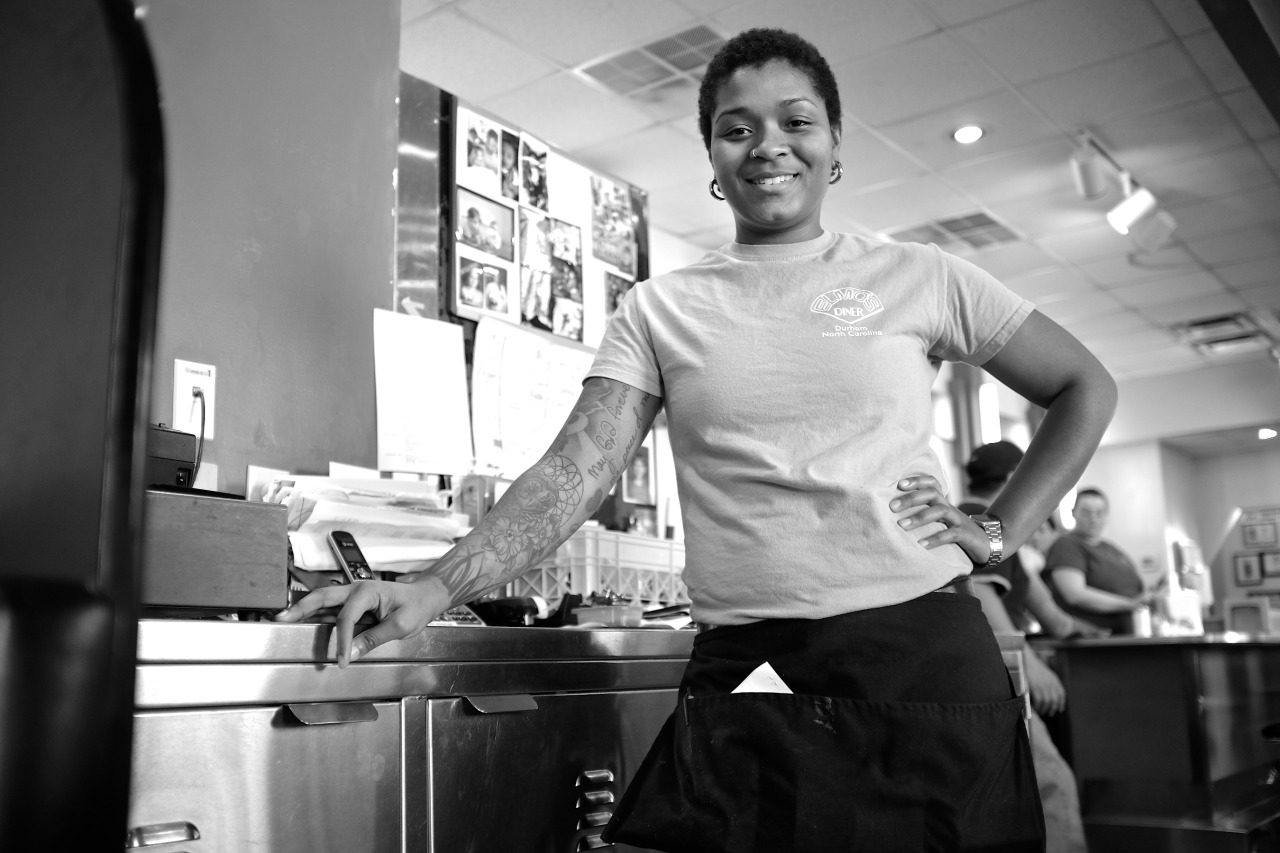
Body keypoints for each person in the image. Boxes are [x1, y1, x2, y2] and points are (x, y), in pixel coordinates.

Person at [277, 28, 1118, 851]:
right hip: (754, 670)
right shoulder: (659, 310)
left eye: (796, 122)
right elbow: (576, 471)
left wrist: (999, 535)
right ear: (712, 158)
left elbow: (1085, 386)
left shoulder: (922, 276)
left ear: (835, 147)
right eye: (736, 127)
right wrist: (430, 586)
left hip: (922, 664)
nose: (767, 146)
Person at [959, 442, 1093, 853]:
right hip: (993, 668)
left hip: (991, 667)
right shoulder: (978, 519)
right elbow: (981, 593)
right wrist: (1030, 665)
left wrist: (1081, 629)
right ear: (1018, 477)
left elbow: (1041, 603)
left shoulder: (1004, 526)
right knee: (1050, 782)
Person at [1043, 487, 1147, 635]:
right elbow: (1074, 594)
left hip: (1129, 631)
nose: (1093, 519)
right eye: (1086, 513)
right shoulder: (1066, 545)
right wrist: (1129, 605)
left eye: (1100, 513)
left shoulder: (1112, 549)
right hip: (1094, 637)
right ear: (1073, 513)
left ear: (1107, 515)